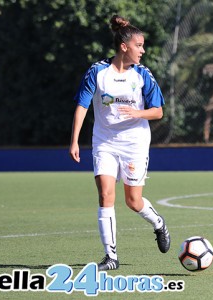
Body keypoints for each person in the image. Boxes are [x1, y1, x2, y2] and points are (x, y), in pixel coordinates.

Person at [69, 14, 170, 271]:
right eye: (139, 45)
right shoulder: (98, 72)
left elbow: (158, 111)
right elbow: (82, 105)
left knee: (133, 201)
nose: (143, 50)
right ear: (124, 47)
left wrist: (138, 113)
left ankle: (158, 224)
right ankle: (111, 257)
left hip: (135, 142)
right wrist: (74, 141)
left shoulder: (143, 75)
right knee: (105, 195)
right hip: (104, 141)